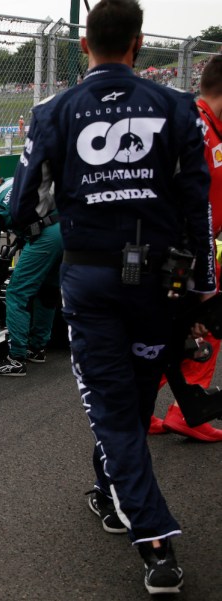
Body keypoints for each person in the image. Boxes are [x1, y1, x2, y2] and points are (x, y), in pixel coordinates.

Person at [10, 1, 213, 594]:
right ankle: (113, 492)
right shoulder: (178, 106)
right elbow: (196, 204)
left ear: (83, 44)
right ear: (139, 43)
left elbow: (23, 205)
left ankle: (154, 542)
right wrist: (201, 287)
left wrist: (51, 222)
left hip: (90, 282)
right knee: (128, 404)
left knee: (115, 414)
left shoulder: (53, 110)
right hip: (161, 283)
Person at [148, 54, 222, 442]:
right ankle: (177, 409)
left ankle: (154, 407)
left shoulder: (208, 127)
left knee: (180, 331)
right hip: (190, 251)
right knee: (196, 327)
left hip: (198, 247)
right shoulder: (195, 129)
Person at [0, 169, 62, 377]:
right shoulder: (10, 180)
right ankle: (37, 348)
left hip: (43, 238)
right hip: (65, 227)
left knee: (16, 293)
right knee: (47, 289)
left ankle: (16, 359)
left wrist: (0, 262)